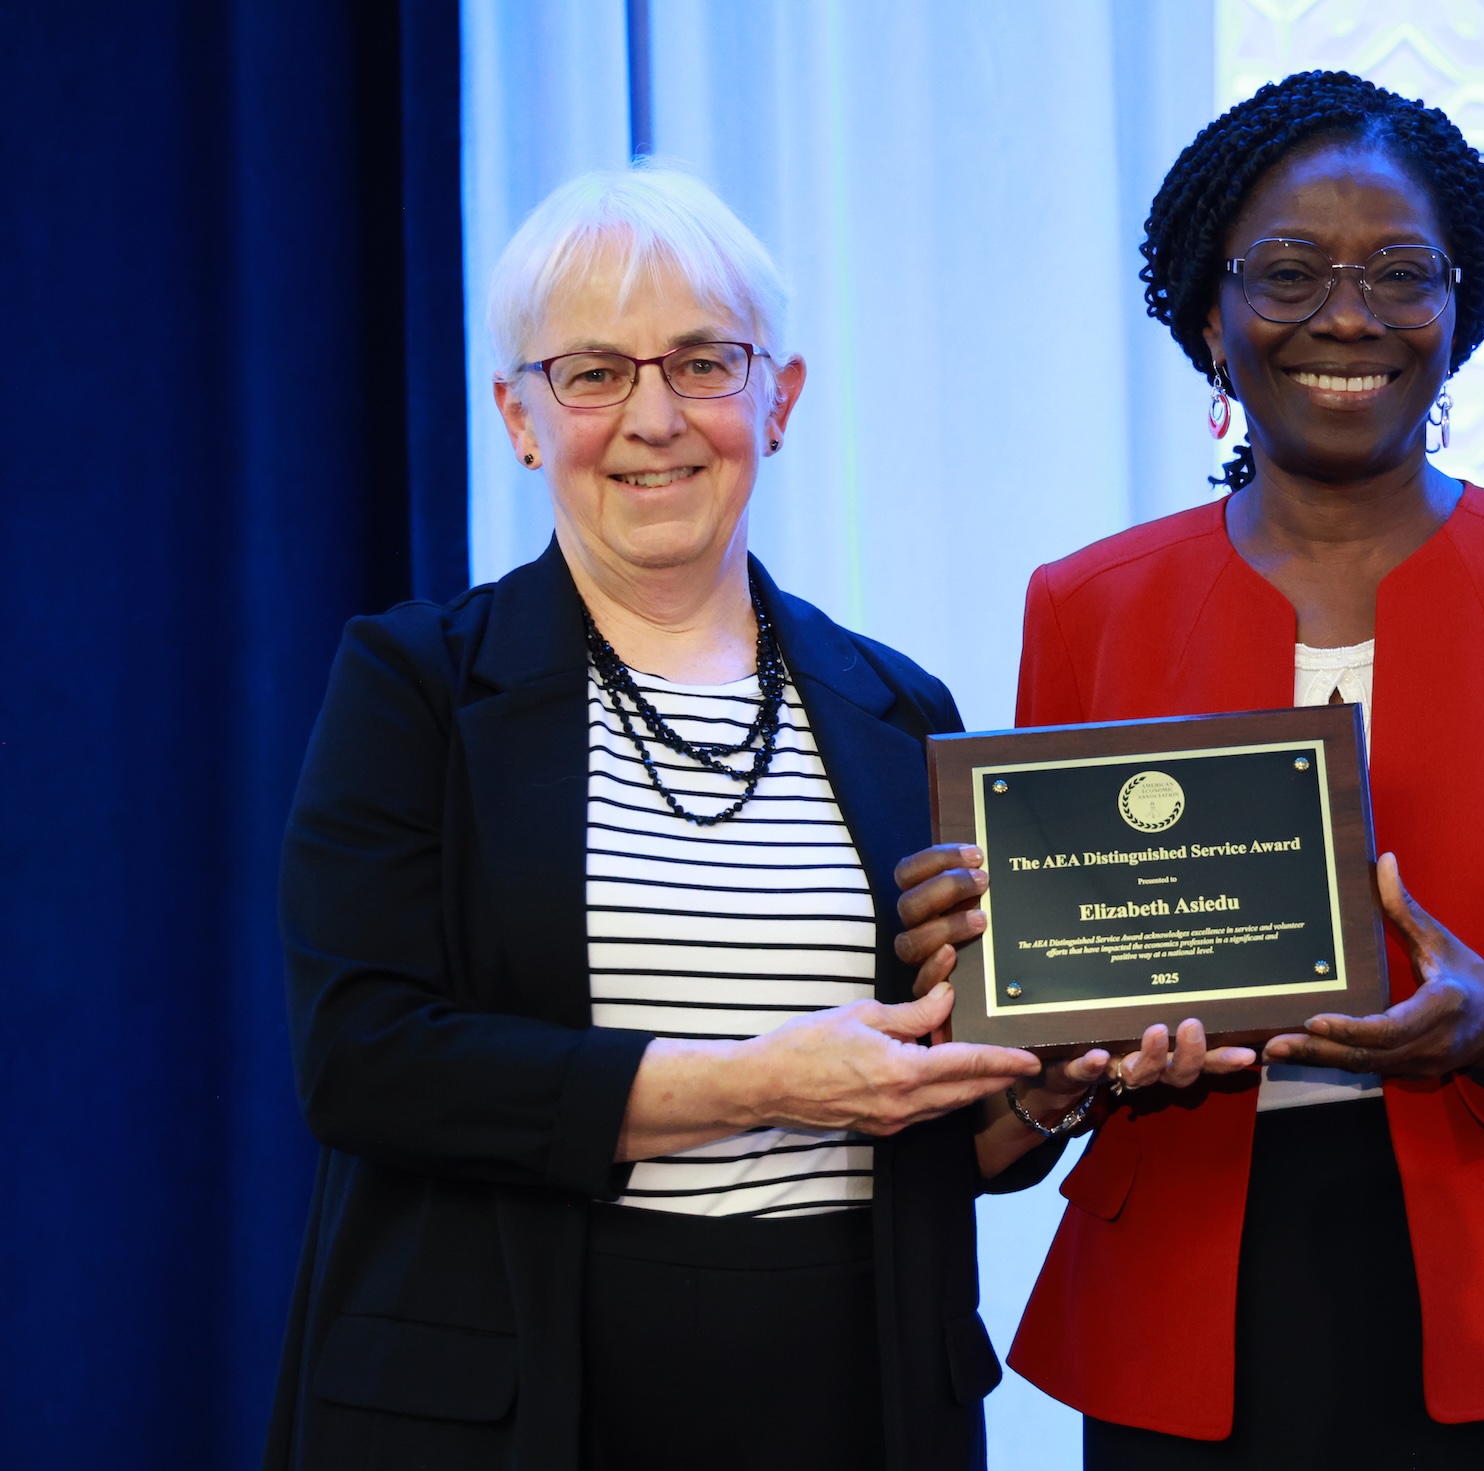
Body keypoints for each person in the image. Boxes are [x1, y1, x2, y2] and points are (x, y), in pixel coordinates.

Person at [894, 71, 1484, 1469]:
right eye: (1291, 272)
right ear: (1210, 315)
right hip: (1191, 1310)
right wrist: (1023, 1003)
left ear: (1461, 312)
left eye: (1401, 274)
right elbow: (1052, 1001)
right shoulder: (1087, 606)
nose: (1350, 316)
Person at [262, 166, 1086, 1471]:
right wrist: (760, 1084)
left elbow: (931, 1141)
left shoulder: (902, 709)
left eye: (705, 363)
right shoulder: (415, 685)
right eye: (593, 374)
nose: (654, 418)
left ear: (782, 396)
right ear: (520, 418)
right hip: (517, 1404)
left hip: (853, 1397)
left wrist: (1037, 1095)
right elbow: (362, 1059)